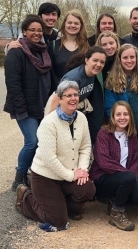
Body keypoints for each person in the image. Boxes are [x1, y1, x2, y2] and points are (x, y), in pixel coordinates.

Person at [15, 81, 96, 232]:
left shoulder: (82, 119)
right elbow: (48, 158)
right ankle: (26, 196)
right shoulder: (49, 123)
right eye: (68, 96)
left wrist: (82, 170)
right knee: (58, 222)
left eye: (75, 95)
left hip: (69, 174)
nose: (73, 98)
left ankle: (62, 206)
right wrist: (71, 175)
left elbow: (85, 147)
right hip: (46, 176)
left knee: (88, 189)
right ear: (59, 99)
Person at [4, 15, 53, 191]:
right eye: (32, 30)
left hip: (41, 106)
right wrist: (21, 110)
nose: (36, 33)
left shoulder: (43, 51)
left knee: (41, 142)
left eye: (39, 30)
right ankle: (19, 178)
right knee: (32, 141)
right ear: (24, 32)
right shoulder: (16, 52)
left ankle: (34, 176)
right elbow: (13, 84)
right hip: (24, 107)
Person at [90, 101, 138, 231]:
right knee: (128, 178)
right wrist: (126, 175)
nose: (122, 118)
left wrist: (131, 176)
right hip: (102, 178)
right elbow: (104, 162)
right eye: (118, 114)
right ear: (113, 116)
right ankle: (116, 213)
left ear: (130, 116)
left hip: (125, 178)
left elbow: (136, 158)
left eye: (125, 114)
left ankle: (114, 200)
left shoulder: (132, 135)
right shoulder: (104, 133)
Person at [105, 44, 138, 149]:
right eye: (125, 57)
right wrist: (119, 123)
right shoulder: (112, 80)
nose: (129, 61)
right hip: (127, 128)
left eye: (132, 57)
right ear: (119, 59)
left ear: (136, 58)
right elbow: (109, 107)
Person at [61, 46, 106, 144]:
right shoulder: (74, 79)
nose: (98, 64)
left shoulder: (92, 74)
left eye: (102, 62)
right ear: (86, 60)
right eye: (95, 60)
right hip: (63, 117)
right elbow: (57, 100)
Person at [48, 9, 89, 85]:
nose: (72, 25)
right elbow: (50, 72)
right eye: (69, 22)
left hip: (81, 91)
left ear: (81, 26)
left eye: (76, 23)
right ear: (64, 24)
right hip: (59, 91)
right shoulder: (53, 46)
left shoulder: (87, 46)